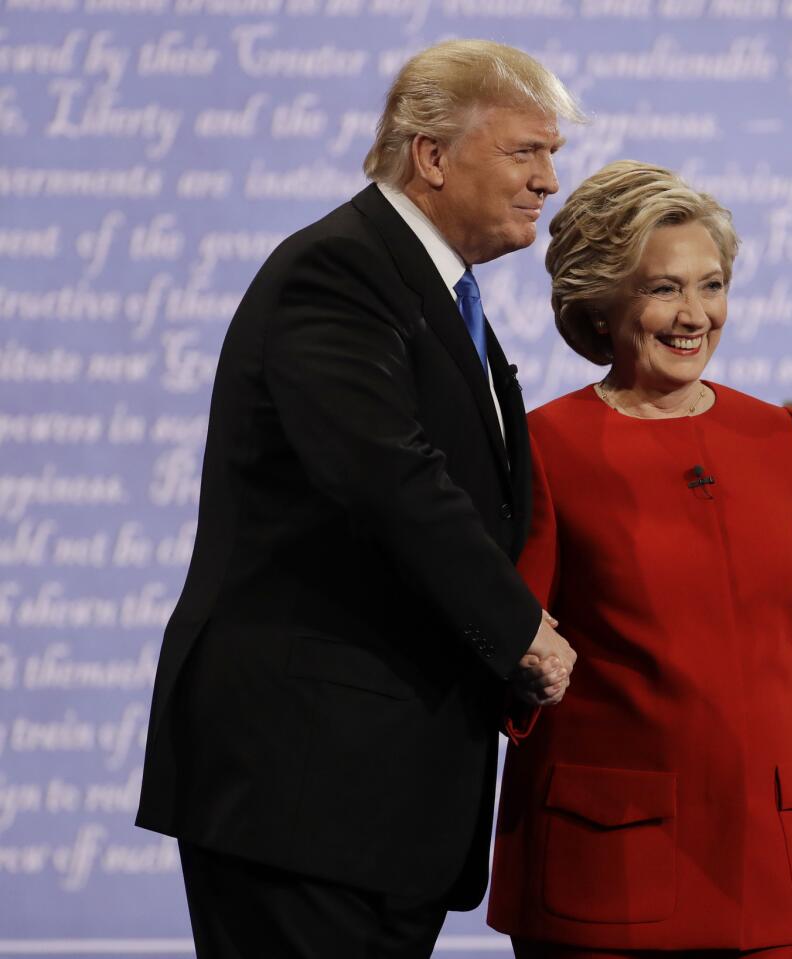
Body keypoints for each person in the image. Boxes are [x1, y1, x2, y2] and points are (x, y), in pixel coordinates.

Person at [135, 40, 584, 957]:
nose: (549, 182)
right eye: (526, 152)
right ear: (431, 155)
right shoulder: (338, 272)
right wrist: (520, 626)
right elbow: (388, 477)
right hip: (302, 788)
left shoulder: (436, 292)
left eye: (553, 157)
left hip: (374, 802)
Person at [488, 161, 792, 958]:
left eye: (712, 286)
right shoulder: (546, 445)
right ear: (603, 304)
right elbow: (516, 650)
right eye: (663, 289)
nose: (694, 315)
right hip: (611, 867)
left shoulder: (776, 435)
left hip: (780, 865)